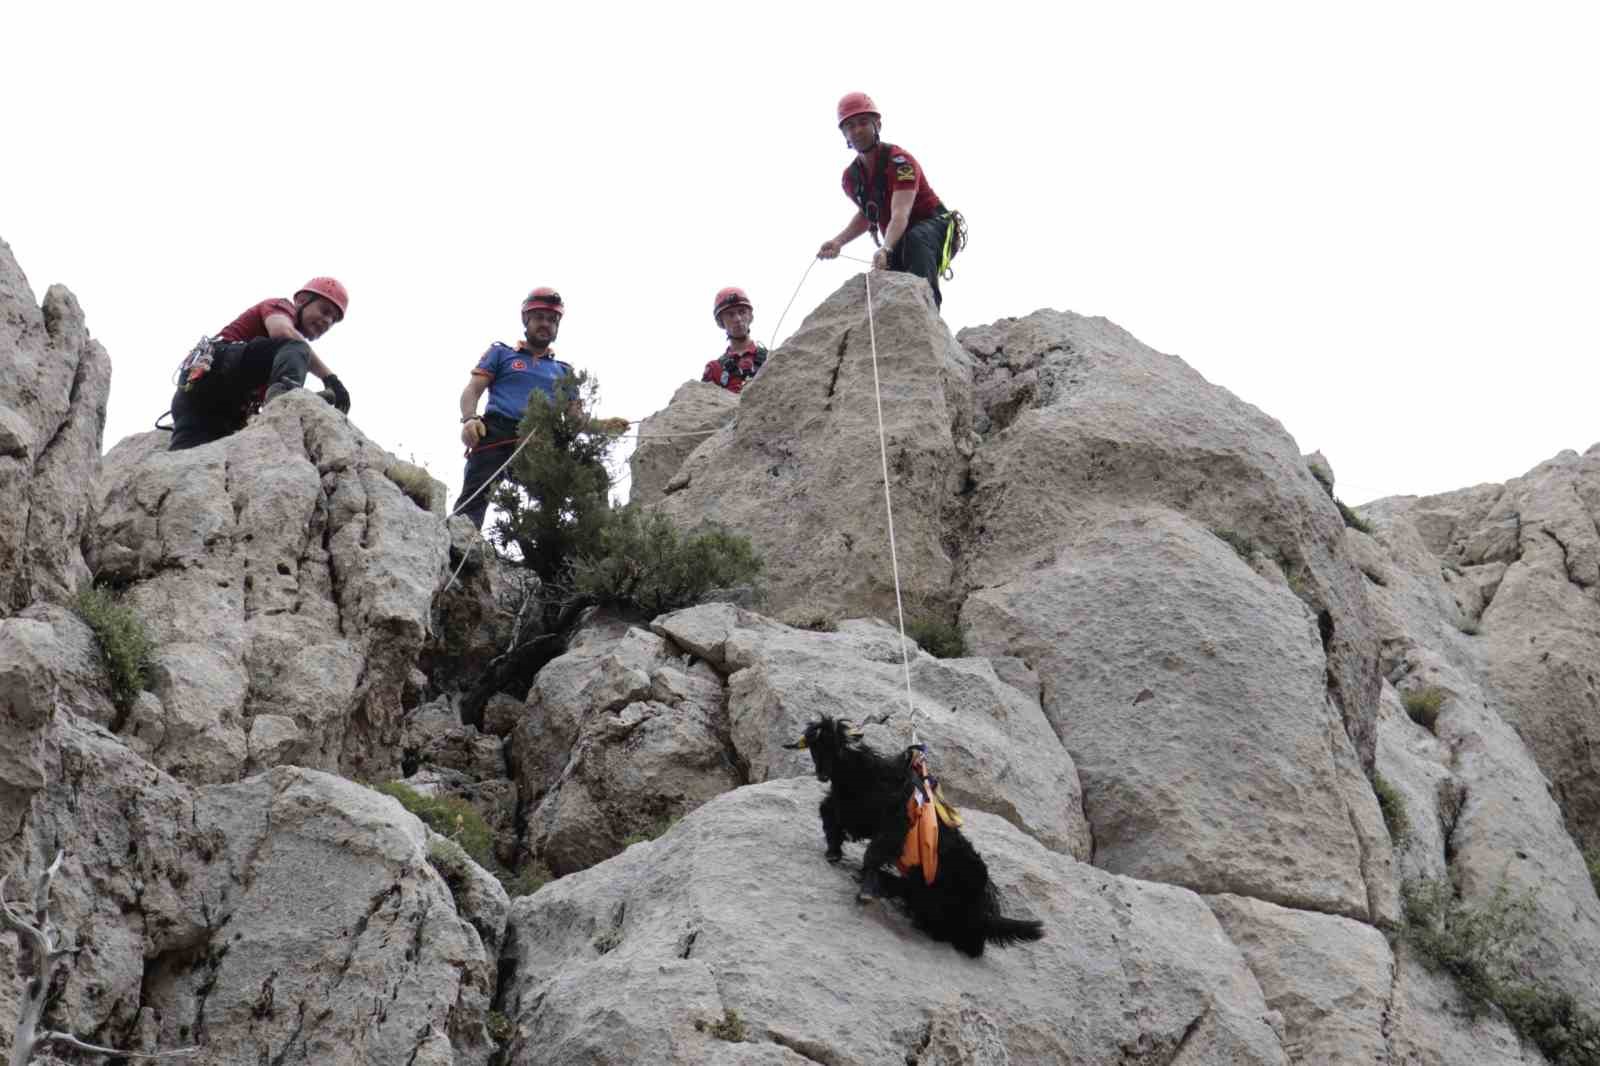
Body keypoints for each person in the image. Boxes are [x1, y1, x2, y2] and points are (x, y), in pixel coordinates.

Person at [168, 278, 351, 450]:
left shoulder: (277, 362)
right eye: (324, 311)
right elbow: (282, 332)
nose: (327, 321)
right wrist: (330, 378)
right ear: (302, 301)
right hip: (217, 368)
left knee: (191, 457)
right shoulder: (280, 307)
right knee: (297, 348)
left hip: (198, 399)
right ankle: (287, 404)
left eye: (333, 320)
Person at [817, 92, 958, 307]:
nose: (856, 130)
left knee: (915, 241)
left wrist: (886, 249)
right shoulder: (851, 178)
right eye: (850, 126)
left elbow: (901, 212)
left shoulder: (900, 162)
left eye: (863, 122)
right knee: (893, 275)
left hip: (933, 224)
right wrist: (838, 242)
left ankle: (928, 311)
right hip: (899, 237)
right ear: (844, 134)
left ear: (877, 125)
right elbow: (867, 215)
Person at [701, 287, 768, 394]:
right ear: (720, 322)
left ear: (750, 316)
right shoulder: (714, 369)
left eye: (742, 312)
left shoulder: (771, 358)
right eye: (730, 314)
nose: (737, 319)